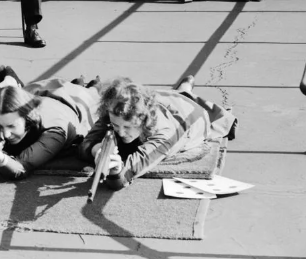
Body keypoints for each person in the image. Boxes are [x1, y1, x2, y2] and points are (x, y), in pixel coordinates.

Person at [78, 76, 236, 190]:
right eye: (115, 125)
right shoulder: (116, 110)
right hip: (161, 97)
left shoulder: (164, 135)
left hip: (189, 115)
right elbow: (86, 143)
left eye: (127, 127)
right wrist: (97, 150)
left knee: (185, 99)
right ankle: (183, 89)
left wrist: (116, 169)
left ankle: (185, 90)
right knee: (175, 94)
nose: (120, 132)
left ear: (143, 119)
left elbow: (125, 176)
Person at [0, 76, 100, 179]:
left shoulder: (55, 131)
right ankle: (78, 82)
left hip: (75, 103)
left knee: (92, 91)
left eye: (12, 126)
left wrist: (2, 159)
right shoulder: (3, 111)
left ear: (27, 117)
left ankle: (90, 85)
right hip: (40, 90)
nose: (6, 134)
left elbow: (21, 168)